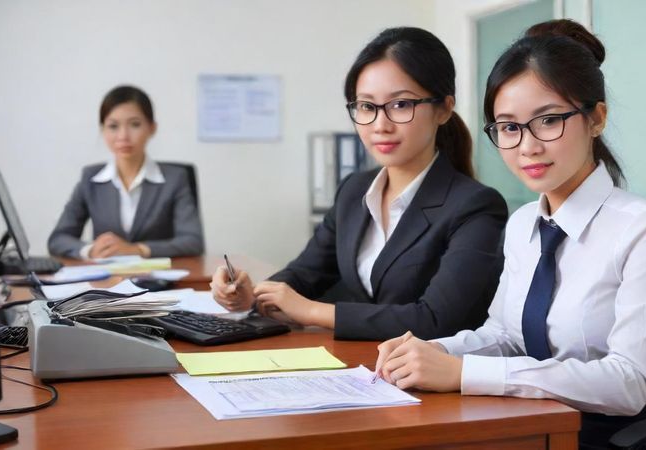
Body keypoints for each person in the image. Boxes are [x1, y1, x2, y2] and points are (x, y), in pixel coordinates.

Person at [373, 20, 646, 449]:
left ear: (596, 118)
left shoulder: (643, 229)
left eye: (548, 120)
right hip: (533, 422)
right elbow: (504, 336)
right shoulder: (523, 222)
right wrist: (434, 352)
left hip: (615, 436)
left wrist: (464, 373)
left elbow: (630, 382)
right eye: (508, 127)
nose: (527, 147)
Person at [211, 27, 508, 341]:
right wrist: (252, 295)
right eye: (366, 107)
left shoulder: (475, 206)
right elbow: (305, 273)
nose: (380, 125)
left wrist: (312, 312)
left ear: (444, 109)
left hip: (433, 380)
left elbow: (436, 320)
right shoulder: (355, 190)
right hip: (361, 369)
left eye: (401, 105)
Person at [48, 85, 204, 259]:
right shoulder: (90, 178)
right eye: (113, 126)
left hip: (159, 282)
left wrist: (138, 249)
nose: (123, 136)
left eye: (135, 124)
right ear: (103, 130)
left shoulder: (175, 178)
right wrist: (90, 250)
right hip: (106, 282)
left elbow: (192, 241)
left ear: (152, 128)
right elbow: (58, 239)